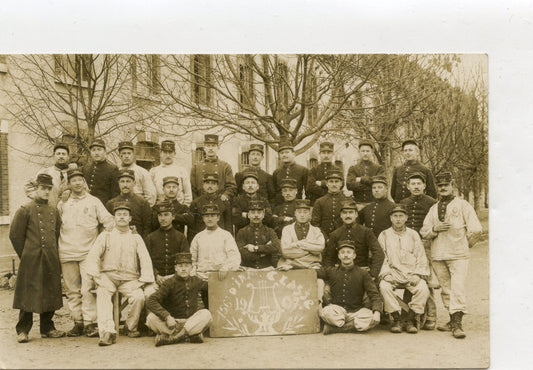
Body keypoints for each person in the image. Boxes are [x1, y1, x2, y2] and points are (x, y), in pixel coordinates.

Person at [420, 172, 483, 339]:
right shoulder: (433, 208)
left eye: (446, 184)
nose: (442, 187)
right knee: (446, 289)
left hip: (458, 255)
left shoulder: (463, 205)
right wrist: (435, 229)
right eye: (439, 185)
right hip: (438, 254)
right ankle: (451, 320)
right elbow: (424, 231)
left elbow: (476, 230)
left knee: (457, 288)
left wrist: (465, 245)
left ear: (452, 185)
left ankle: (458, 324)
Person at [86, 203, 155, 346]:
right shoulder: (106, 235)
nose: (122, 217)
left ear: (130, 218)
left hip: (129, 278)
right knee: (103, 294)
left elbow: (145, 259)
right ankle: (107, 332)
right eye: (119, 214)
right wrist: (95, 275)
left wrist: (143, 280)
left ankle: (130, 327)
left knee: (139, 297)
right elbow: (93, 255)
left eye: (125, 215)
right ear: (114, 218)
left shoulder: (136, 238)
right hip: (109, 277)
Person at [57, 168, 114, 338]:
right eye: (74, 180)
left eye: (80, 179)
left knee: (88, 288)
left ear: (84, 182)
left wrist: (102, 242)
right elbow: (55, 224)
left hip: (88, 253)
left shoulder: (94, 201)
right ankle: (78, 323)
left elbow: (108, 221)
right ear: (69, 183)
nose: (77, 183)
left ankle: (90, 323)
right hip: (66, 251)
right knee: (72, 290)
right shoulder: (63, 203)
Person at [9, 174, 65, 343]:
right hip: (31, 259)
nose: (46, 192)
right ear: (36, 189)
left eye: (49, 189)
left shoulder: (54, 210)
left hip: (50, 257)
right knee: (28, 293)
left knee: (50, 291)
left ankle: (47, 328)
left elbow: (56, 233)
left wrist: (51, 251)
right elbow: (15, 235)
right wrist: (26, 254)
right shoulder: (25, 209)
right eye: (43, 188)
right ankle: (23, 330)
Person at [378, 205, 430, 334]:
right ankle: (396, 319)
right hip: (393, 272)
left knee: (423, 288)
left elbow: (421, 256)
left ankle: (410, 319)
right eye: (395, 216)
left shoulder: (413, 234)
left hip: (411, 273)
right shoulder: (384, 234)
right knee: (384, 286)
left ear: (406, 218)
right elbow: (381, 257)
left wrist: (418, 275)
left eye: (401, 216)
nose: (398, 219)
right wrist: (385, 274)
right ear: (391, 218)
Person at [146, 253, 212, 346]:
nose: (183, 269)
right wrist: (167, 317)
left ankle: (173, 338)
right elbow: (150, 300)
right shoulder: (169, 283)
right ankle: (190, 335)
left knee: (206, 314)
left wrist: (226, 274)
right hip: (172, 323)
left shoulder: (196, 281)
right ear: (175, 268)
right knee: (150, 318)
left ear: (191, 268)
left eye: (186, 266)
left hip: (190, 321)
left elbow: (212, 287)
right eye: (180, 266)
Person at [317, 240, 383, 334]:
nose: (346, 255)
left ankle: (336, 328)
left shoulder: (363, 273)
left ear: (354, 255)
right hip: (337, 310)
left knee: (370, 317)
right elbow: (313, 272)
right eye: (342, 253)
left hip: (357, 311)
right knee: (326, 312)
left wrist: (377, 311)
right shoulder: (331, 271)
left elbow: (374, 294)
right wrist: (292, 265)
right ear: (339, 256)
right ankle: (351, 326)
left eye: (349, 252)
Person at [400, 171, 438, 330]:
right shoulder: (403, 202)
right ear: (408, 187)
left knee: (427, 280)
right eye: (413, 184)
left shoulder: (432, 203)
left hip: (426, 243)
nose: (416, 187)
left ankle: (431, 316)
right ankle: (411, 315)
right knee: (410, 277)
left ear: (424, 186)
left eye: (419, 184)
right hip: (408, 244)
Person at [190, 203, 241, 307]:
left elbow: (234, 256)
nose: (209, 219)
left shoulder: (225, 235)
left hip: (220, 277)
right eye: (207, 216)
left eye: (213, 216)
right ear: (203, 218)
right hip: (202, 278)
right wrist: (195, 275)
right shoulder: (198, 237)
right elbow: (192, 260)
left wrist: (226, 267)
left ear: (218, 217)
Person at [324, 200, 384, 281]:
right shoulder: (335, 234)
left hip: (362, 272)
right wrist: (332, 274)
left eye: (351, 212)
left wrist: (372, 274)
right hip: (341, 273)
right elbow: (328, 257)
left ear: (356, 214)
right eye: (345, 213)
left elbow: (378, 253)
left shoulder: (366, 232)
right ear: (341, 215)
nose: (347, 215)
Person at [146, 201, 190, 287]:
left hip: (176, 279)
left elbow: (185, 261)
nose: (162, 218)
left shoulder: (180, 237)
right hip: (155, 280)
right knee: (149, 294)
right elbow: (146, 261)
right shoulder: (150, 238)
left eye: (166, 215)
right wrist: (156, 275)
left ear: (173, 217)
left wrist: (174, 276)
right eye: (160, 215)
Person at [277, 199, 325, 270]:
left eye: (305, 212)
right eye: (299, 212)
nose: (302, 215)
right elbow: (286, 252)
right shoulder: (287, 229)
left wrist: (299, 244)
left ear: (309, 214)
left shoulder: (316, 230)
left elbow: (320, 248)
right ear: (295, 214)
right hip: (290, 266)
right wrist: (310, 251)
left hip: (313, 266)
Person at [106, 169, 152, 239]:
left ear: (134, 183)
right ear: (118, 183)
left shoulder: (142, 203)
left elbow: (147, 227)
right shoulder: (111, 203)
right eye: (122, 181)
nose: (125, 185)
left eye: (128, 181)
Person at [24, 141, 73, 207]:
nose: (61, 156)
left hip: (68, 211)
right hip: (48, 210)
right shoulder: (45, 172)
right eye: (58, 154)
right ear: (54, 156)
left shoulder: (73, 172)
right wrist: (40, 197)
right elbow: (28, 186)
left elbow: (84, 190)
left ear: (68, 157)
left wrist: (71, 192)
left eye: (63, 154)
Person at [190, 134, 237, 201]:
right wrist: (197, 202)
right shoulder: (196, 167)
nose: (210, 148)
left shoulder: (225, 166)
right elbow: (192, 188)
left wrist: (225, 195)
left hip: (220, 203)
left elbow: (231, 187)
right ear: (204, 148)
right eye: (208, 146)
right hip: (200, 204)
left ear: (218, 147)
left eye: (213, 146)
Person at [236, 200, 281, 269]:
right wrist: (263, 254)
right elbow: (242, 253)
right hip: (248, 270)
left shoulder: (270, 231)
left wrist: (255, 248)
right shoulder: (242, 232)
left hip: (267, 269)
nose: (256, 215)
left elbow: (276, 247)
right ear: (249, 215)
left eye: (259, 212)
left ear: (263, 215)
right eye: (253, 213)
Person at [188, 173, 232, 242]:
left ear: (217, 186)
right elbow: (192, 227)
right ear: (203, 185)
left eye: (213, 183)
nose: (210, 186)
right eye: (207, 183)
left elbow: (228, 225)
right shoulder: (196, 202)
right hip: (202, 239)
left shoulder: (224, 202)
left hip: (220, 239)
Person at [150, 140, 192, 205]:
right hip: (161, 209)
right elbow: (151, 194)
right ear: (160, 153)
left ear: (174, 154)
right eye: (165, 152)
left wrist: (184, 209)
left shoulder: (182, 171)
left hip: (178, 209)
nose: (168, 155)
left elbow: (188, 195)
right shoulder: (154, 171)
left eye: (170, 152)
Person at [346, 139, 385, 211]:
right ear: (359, 152)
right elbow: (349, 185)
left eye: (367, 151)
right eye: (363, 151)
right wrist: (370, 184)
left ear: (372, 152)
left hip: (374, 204)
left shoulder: (379, 168)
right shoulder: (353, 168)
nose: (365, 153)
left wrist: (361, 179)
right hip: (357, 204)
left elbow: (380, 183)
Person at [311, 169, 349, 238]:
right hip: (324, 237)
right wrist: (325, 238)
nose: (334, 184)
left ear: (341, 183)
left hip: (344, 238)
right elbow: (315, 224)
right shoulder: (319, 202)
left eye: (336, 181)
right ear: (327, 184)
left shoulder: (348, 200)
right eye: (331, 182)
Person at [118, 140, 157, 207]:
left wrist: (143, 209)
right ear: (120, 156)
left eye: (129, 153)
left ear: (133, 155)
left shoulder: (142, 172)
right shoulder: (116, 171)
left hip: (138, 208)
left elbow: (151, 195)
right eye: (124, 153)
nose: (126, 156)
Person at [232, 171, 272, 235]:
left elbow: (268, 218)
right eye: (247, 183)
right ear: (243, 187)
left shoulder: (263, 200)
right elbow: (236, 219)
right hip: (243, 234)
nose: (250, 185)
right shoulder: (237, 200)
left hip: (261, 234)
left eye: (253, 183)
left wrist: (247, 215)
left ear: (257, 186)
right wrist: (258, 217)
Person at [82, 138, 120, 205]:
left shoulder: (113, 169)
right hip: (86, 205)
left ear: (105, 151)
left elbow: (115, 194)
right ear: (90, 152)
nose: (96, 153)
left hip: (104, 206)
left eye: (99, 150)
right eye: (93, 150)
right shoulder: (85, 168)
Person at [272, 139, 308, 205]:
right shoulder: (276, 172)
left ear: (293, 154)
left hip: (297, 207)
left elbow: (307, 192)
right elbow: (274, 192)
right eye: (282, 153)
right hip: (279, 206)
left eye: (287, 152)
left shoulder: (303, 170)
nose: (284, 155)